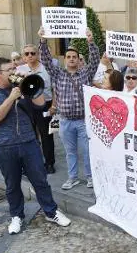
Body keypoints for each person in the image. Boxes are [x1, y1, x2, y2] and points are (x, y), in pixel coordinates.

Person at [0, 58, 71, 234]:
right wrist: (11, 98)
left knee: (40, 181)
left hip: (29, 142)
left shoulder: (22, 87)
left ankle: (51, 211)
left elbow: (41, 104)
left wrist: (32, 83)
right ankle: (17, 216)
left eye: (15, 68)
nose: (14, 71)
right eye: (10, 70)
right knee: (12, 184)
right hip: (4, 145)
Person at [38, 27, 99, 190]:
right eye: (69, 57)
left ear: (79, 60)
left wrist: (90, 42)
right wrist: (43, 41)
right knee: (70, 152)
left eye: (75, 57)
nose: (72, 59)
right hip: (64, 121)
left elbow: (94, 60)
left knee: (86, 151)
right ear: (64, 60)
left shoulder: (86, 73)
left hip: (82, 121)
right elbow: (45, 60)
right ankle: (73, 178)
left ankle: (90, 177)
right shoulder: (58, 74)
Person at [16, 44, 55, 174]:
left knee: (46, 135)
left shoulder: (47, 69)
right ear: (23, 57)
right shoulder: (19, 70)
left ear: (37, 55)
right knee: (29, 135)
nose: (30, 56)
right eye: (27, 54)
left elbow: (56, 89)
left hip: (45, 104)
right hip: (26, 105)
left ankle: (49, 163)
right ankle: (31, 163)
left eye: (33, 53)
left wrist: (54, 106)